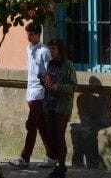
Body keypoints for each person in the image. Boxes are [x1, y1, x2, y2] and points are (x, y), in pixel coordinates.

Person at [9, 23, 55, 169]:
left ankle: (25, 158)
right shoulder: (29, 49)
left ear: (38, 34)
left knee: (31, 125)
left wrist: (48, 88)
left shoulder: (44, 51)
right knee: (41, 126)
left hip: (40, 93)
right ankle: (52, 156)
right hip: (31, 92)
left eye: (31, 34)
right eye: (27, 34)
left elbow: (50, 72)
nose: (28, 36)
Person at [40, 39, 77, 178]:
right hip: (50, 104)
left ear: (60, 50)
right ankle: (57, 164)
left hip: (61, 107)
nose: (51, 51)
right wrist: (43, 80)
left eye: (53, 48)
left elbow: (73, 86)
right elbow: (48, 83)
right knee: (51, 136)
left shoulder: (68, 66)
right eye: (50, 48)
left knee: (59, 136)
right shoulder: (50, 64)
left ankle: (61, 167)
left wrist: (59, 87)